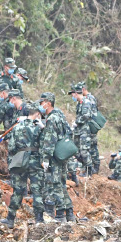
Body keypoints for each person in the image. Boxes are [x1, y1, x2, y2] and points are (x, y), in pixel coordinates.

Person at [0, 103, 46, 226]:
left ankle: (10, 219)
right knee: (37, 190)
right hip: (35, 160)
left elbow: (11, 147)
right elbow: (44, 145)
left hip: (20, 160)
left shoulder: (17, 127)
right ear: (36, 114)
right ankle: (39, 220)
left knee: (18, 190)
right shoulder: (40, 128)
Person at [39, 92, 77, 222]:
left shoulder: (51, 119)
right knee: (61, 183)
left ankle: (60, 215)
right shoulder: (60, 116)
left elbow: (50, 140)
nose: (40, 105)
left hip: (54, 157)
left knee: (55, 185)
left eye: (42, 102)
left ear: (48, 103)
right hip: (62, 155)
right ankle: (69, 213)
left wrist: (45, 159)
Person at [69, 82, 97, 177]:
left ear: (76, 93)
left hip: (84, 131)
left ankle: (89, 170)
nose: (72, 96)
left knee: (84, 151)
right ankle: (88, 167)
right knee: (75, 151)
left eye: (73, 94)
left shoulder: (86, 102)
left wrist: (77, 122)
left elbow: (86, 115)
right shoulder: (79, 104)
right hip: (78, 130)